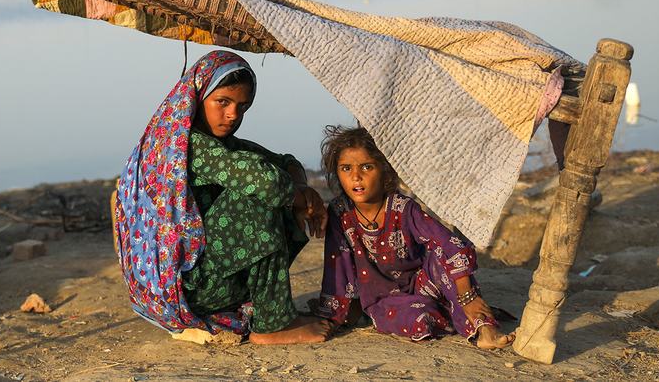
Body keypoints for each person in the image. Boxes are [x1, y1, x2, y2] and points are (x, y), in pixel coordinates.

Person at [114, 50, 330, 344]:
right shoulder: (191, 147)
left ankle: (270, 311)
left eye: (242, 106)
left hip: (195, 282)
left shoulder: (212, 142)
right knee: (258, 196)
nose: (233, 115)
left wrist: (301, 188)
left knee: (272, 187)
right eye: (223, 102)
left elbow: (286, 162)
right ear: (197, 98)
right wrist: (299, 196)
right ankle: (273, 324)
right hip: (190, 289)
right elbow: (267, 183)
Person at [313, 126, 514, 349]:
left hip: (423, 281)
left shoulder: (403, 207)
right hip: (383, 299)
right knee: (420, 320)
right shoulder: (340, 212)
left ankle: (484, 328)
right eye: (346, 168)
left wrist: (467, 295)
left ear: (385, 170)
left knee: (442, 260)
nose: (356, 176)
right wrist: (334, 314)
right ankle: (449, 310)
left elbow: (448, 244)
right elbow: (337, 266)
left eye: (367, 167)